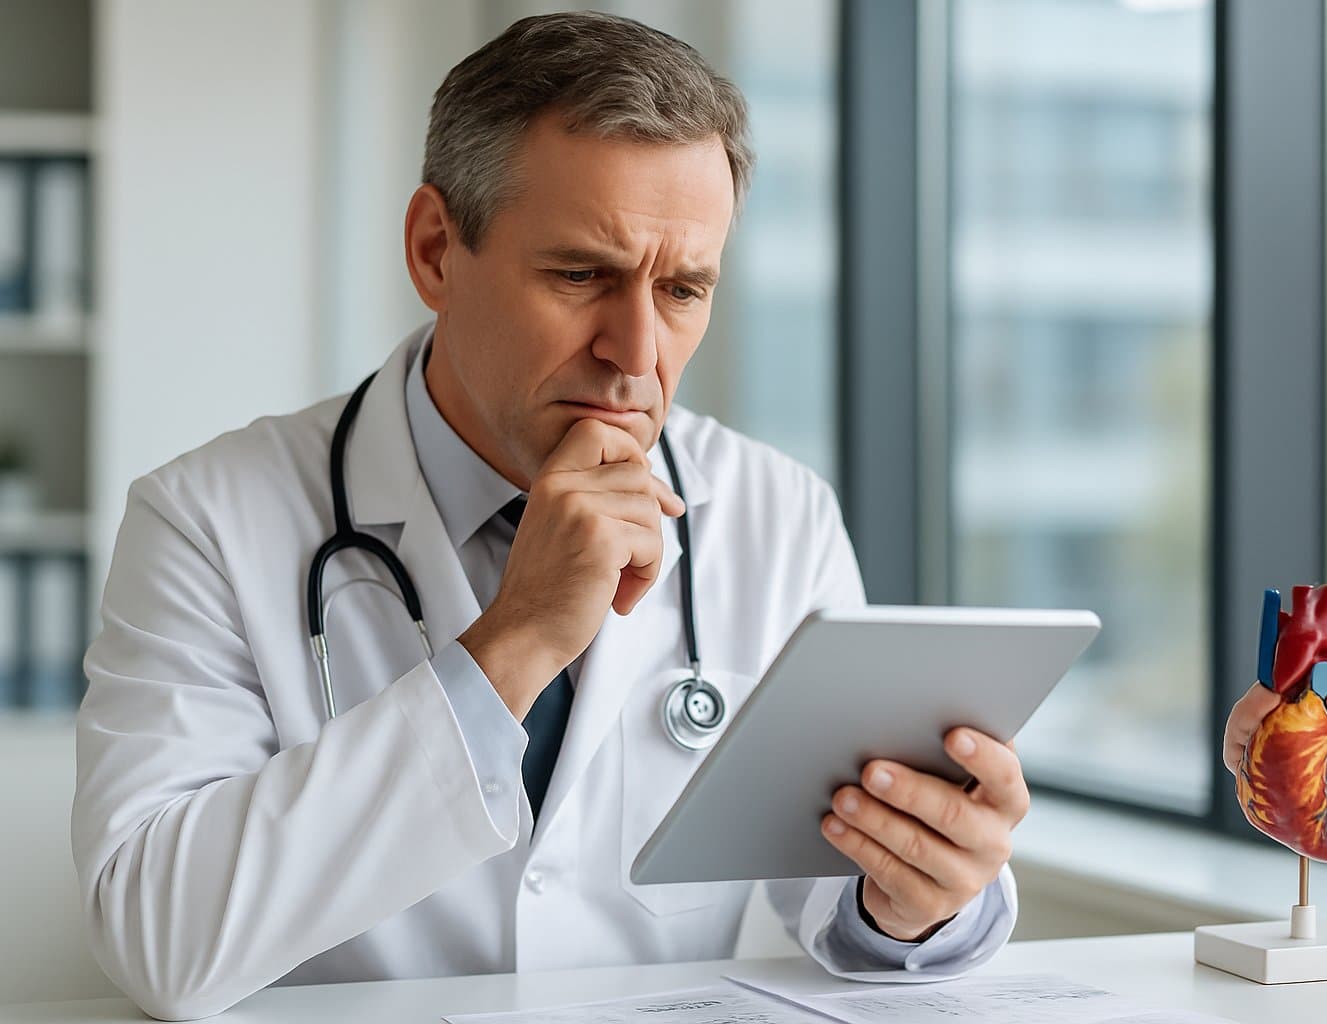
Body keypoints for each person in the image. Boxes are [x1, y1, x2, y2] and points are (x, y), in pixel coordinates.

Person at [71, 13, 1024, 1021]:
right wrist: (513, 641)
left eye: (685, 288)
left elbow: (847, 905)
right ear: (437, 249)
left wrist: (916, 892)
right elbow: (157, 941)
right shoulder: (208, 521)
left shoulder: (775, 517)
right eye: (582, 276)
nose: (636, 352)